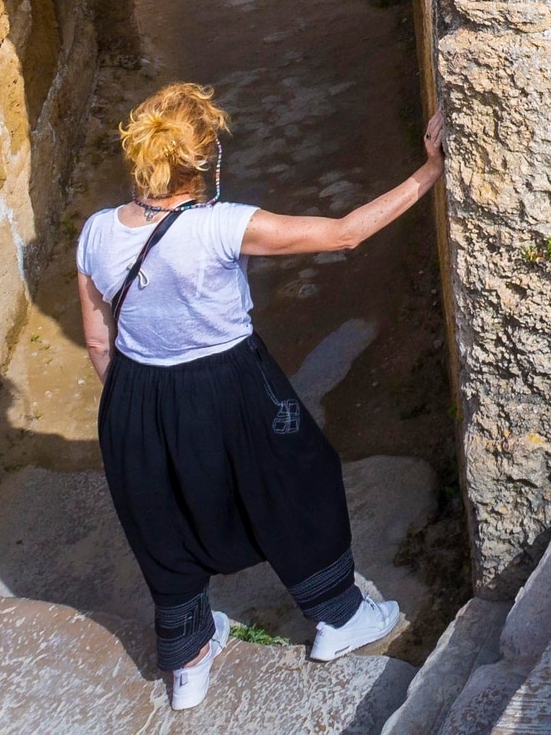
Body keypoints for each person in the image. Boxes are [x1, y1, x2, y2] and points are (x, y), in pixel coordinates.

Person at [77, 82, 446, 710]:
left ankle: (189, 659)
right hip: (229, 383)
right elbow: (345, 233)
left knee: (163, 516)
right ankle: (339, 616)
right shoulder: (222, 225)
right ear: (206, 164)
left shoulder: (95, 232)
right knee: (298, 481)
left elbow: (96, 340)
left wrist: (143, 412)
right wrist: (430, 170)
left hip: (136, 394)